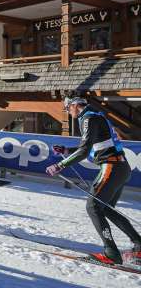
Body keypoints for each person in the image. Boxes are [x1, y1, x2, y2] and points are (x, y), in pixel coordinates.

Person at [46, 97, 141, 265]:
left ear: (75, 105)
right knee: (106, 209)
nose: (68, 111)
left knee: (93, 206)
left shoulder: (88, 118)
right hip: (120, 166)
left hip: (111, 166)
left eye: (68, 108)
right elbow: (93, 147)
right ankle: (139, 246)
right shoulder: (94, 116)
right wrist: (67, 150)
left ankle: (111, 253)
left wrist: (60, 164)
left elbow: (84, 151)